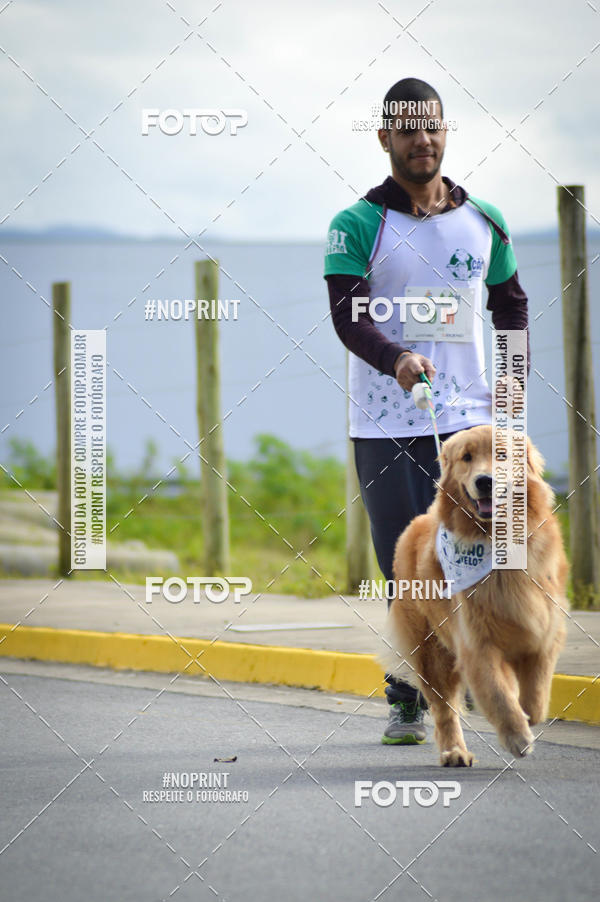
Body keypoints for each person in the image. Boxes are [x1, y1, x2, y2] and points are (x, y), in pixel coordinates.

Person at [323, 77, 530, 745]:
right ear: (385, 139)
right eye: (408, 129)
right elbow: (348, 317)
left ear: (445, 132)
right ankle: (409, 697)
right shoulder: (355, 224)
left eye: (433, 126)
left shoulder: (484, 219)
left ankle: (492, 682)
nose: (423, 138)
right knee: (408, 564)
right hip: (389, 424)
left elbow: (511, 304)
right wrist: (397, 360)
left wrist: (515, 378)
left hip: (468, 425)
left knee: (493, 557)